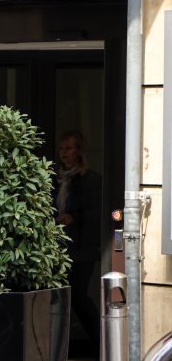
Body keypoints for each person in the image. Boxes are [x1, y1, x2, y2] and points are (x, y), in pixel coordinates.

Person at [55, 130, 104, 347]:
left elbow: (95, 213)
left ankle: (100, 342)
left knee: (78, 296)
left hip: (82, 247)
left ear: (80, 151)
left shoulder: (91, 179)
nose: (64, 153)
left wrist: (73, 217)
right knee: (60, 296)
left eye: (69, 148)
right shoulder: (54, 178)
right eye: (62, 148)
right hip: (57, 245)